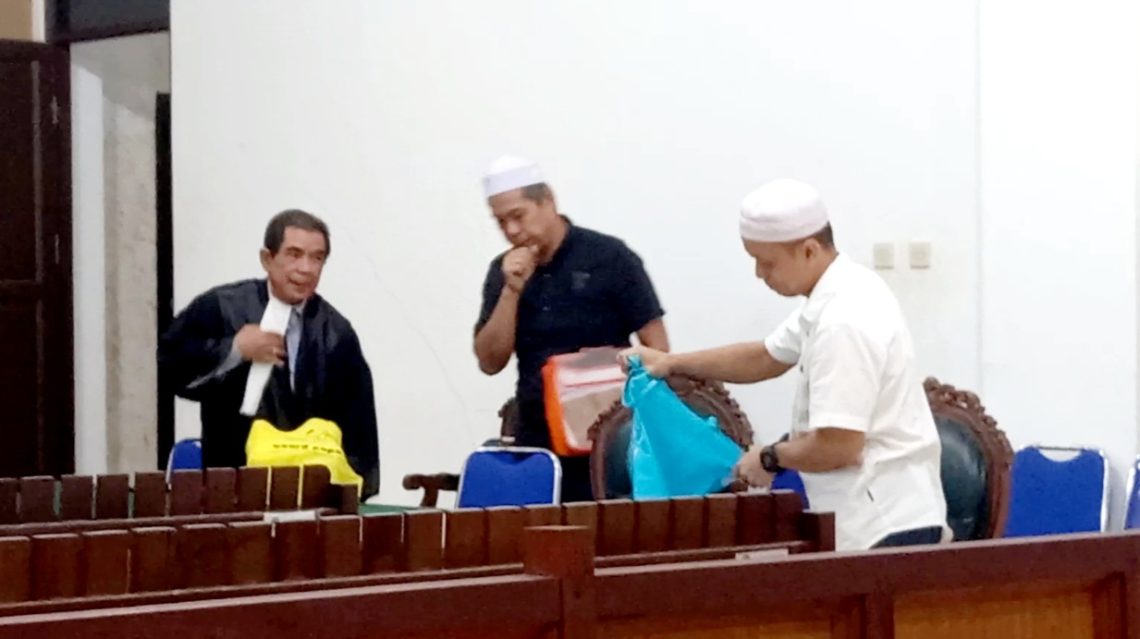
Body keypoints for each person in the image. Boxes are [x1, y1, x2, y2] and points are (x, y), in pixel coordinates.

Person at [622, 178, 948, 550]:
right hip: (873, 517)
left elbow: (838, 446)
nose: (760, 274)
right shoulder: (837, 292)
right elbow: (765, 356)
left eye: (767, 263)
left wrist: (769, 457)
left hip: (884, 524)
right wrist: (670, 362)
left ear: (809, 250)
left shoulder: (845, 320)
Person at [474, 156, 670, 502]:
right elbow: (490, 361)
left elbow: (658, 349)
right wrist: (511, 291)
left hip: (609, 438)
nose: (511, 231)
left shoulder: (610, 258)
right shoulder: (503, 272)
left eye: (518, 216)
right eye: (501, 222)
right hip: (537, 438)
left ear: (547, 200)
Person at [159, 209, 380, 498]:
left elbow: (358, 423)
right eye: (294, 254)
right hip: (232, 485)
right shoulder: (222, 308)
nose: (306, 268)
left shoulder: (336, 332)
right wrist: (235, 350)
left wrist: (353, 492)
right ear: (267, 258)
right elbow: (168, 366)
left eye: (317, 258)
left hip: (312, 493)